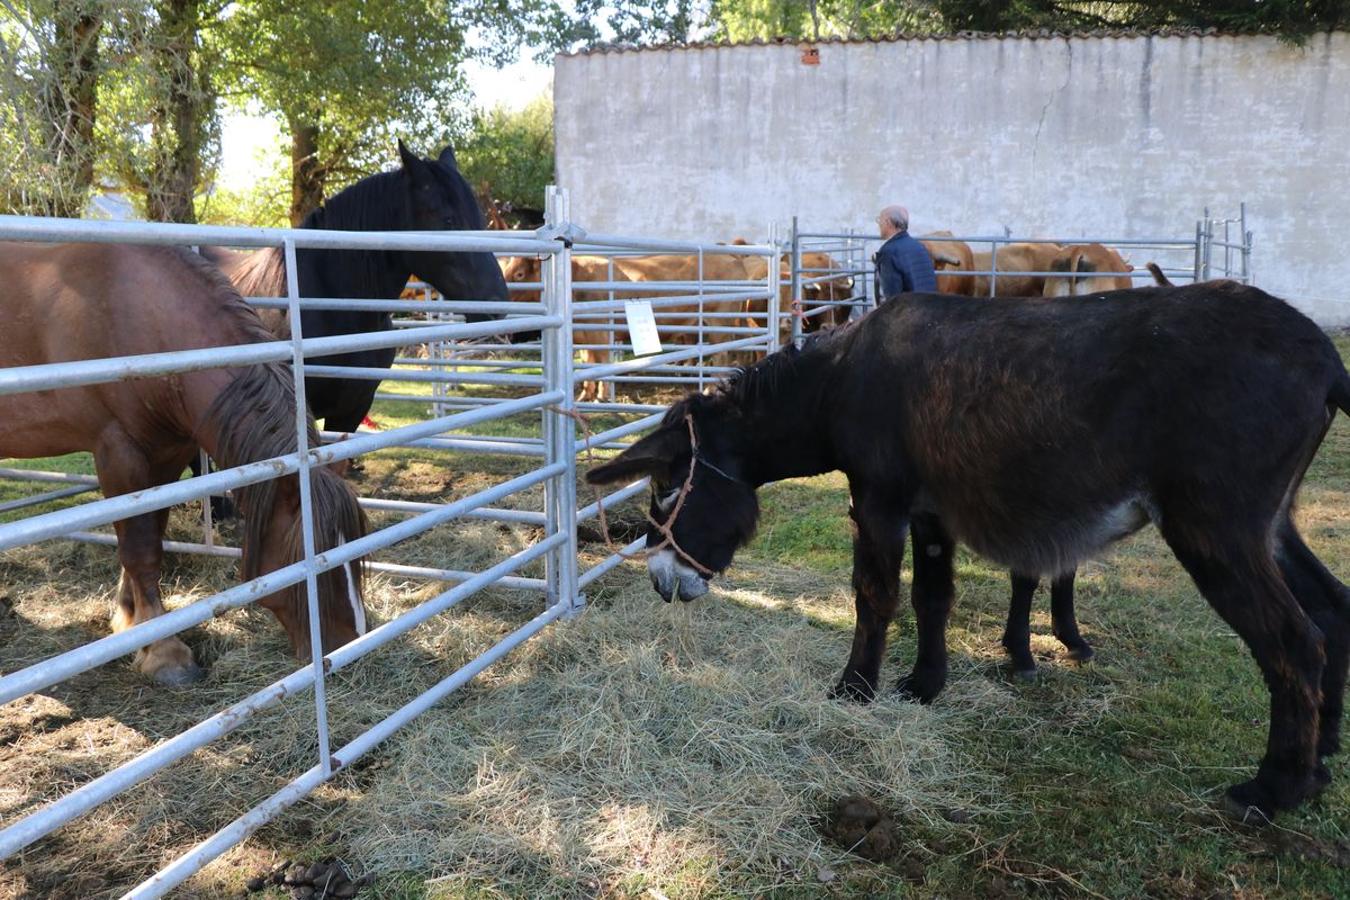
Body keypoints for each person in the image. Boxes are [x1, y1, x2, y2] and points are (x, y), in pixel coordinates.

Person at [873, 205, 937, 301]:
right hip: (927, 309)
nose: (879, 225)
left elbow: (892, 297)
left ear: (888, 222)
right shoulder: (919, 246)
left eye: (879, 220)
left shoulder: (889, 251)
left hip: (907, 312)